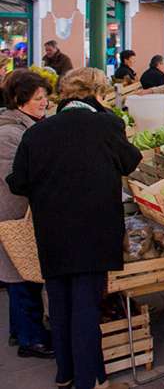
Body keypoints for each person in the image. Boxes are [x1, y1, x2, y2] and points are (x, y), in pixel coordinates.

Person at [7, 68, 141, 389]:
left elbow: (19, 181)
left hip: (51, 232)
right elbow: (130, 161)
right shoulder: (107, 124)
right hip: (93, 232)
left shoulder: (38, 132)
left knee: (61, 303)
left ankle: (64, 374)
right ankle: (90, 380)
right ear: (97, 94)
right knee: (85, 306)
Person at [0, 70, 54, 360]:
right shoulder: (9, 133)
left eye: (45, 97)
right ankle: (30, 340)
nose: (44, 102)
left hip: (19, 214)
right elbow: (16, 178)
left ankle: (19, 331)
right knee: (22, 277)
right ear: (20, 101)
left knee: (20, 274)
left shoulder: (25, 126)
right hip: (13, 216)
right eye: (38, 98)